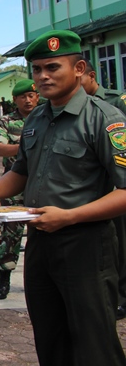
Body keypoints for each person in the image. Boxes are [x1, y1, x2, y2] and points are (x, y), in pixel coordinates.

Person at [0, 29, 126, 366]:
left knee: (95, 346)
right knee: (50, 340)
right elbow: (20, 173)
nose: (42, 77)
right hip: (41, 243)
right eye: (37, 70)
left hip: (86, 246)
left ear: (79, 68)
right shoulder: (36, 119)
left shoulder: (104, 119)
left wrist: (70, 216)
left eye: (52, 68)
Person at [81, 58, 126, 319]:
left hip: (117, 184)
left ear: (91, 76)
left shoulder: (115, 101)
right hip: (97, 188)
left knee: (121, 244)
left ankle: (121, 297)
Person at [0, 79, 39, 300]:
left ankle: (41, 279)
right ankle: (3, 280)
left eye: (31, 95)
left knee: (44, 233)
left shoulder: (47, 118)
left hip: (42, 185)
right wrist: (26, 147)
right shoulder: (6, 122)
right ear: (15, 100)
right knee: (11, 234)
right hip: (14, 186)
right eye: (23, 97)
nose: (28, 100)